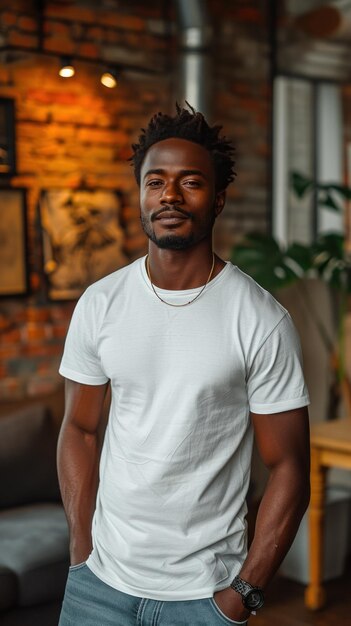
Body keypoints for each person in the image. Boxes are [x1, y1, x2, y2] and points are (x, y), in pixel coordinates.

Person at [57, 103, 310, 626]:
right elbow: (78, 429)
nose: (169, 195)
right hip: (98, 586)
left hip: (205, 596)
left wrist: (245, 593)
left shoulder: (261, 319)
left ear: (217, 199)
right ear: (141, 196)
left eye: (189, 182)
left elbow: (290, 467)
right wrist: (82, 553)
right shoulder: (101, 303)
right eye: (156, 182)